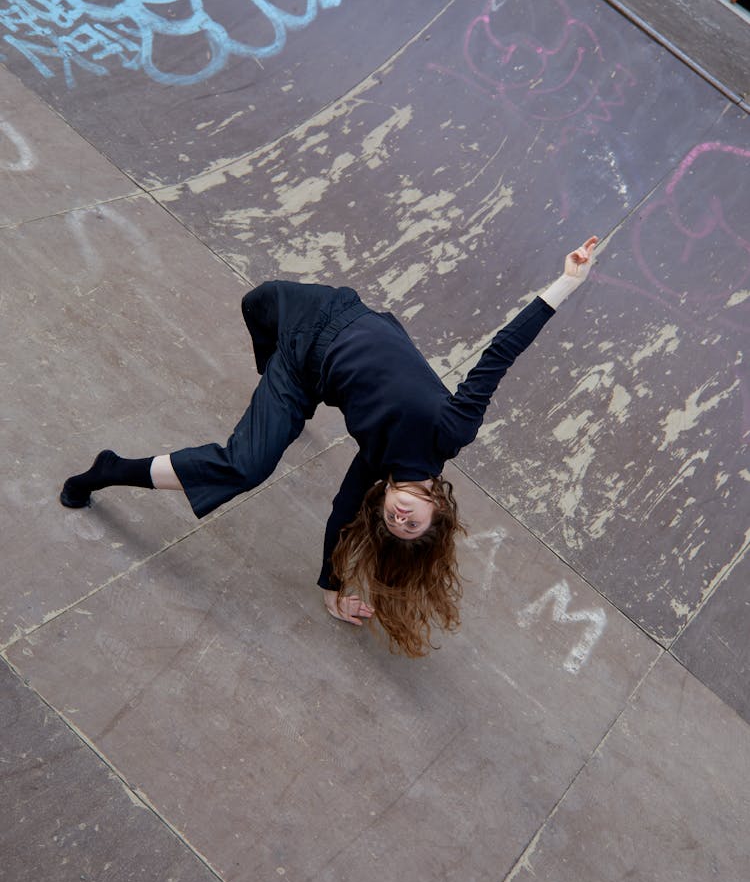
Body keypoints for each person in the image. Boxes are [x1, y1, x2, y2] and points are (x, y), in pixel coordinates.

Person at [61, 237, 598, 656]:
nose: (399, 516)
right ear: (438, 510)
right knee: (255, 306)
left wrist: (331, 585)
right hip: (323, 314)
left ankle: (109, 470)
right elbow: (498, 355)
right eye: (412, 523)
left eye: (393, 523)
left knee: (247, 465)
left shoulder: (378, 467)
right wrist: (566, 284)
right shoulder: (451, 432)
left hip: (302, 370)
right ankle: (270, 387)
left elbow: (343, 513)